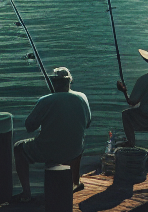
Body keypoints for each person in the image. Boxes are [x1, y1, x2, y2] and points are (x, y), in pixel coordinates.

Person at [14, 66, 91, 202]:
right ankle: (76, 182)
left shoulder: (45, 100)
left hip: (49, 150)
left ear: (53, 82)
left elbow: (29, 126)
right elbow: (87, 123)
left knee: (18, 148)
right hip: (74, 150)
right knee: (79, 138)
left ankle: (26, 193)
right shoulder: (82, 97)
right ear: (70, 81)